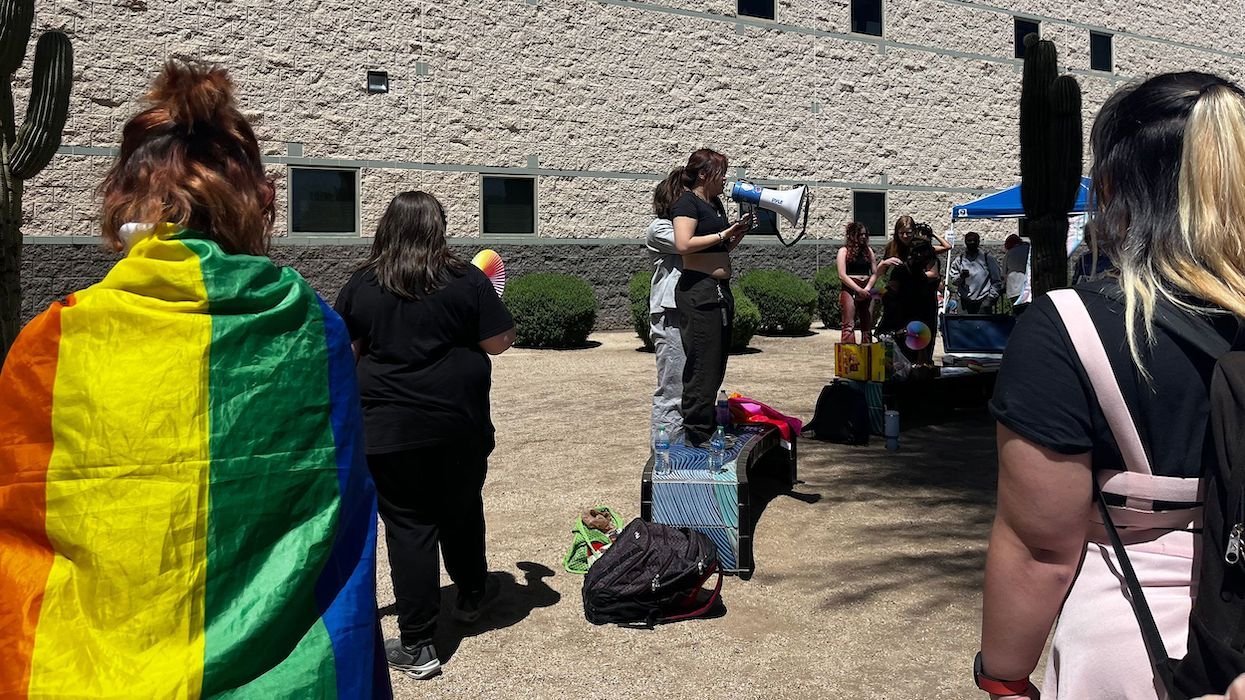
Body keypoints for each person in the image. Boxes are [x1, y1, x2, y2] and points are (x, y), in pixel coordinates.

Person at [0, 61, 389, 697]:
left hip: (96, 674)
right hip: (287, 679)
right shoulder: (308, 328)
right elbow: (334, 513)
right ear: (251, 201)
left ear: (121, 197)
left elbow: (21, 528)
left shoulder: (53, 342)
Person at [979, 72, 1245, 699]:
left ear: (1117, 188)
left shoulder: (1068, 329)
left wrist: (1003, 677)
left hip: (1144, 642)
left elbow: (1038, 549)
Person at [334, 191, 516, 681]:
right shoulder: (467, 280)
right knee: (461, 509)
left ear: (386, 228)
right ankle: (472, 594)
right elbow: (497, 344)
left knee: (410, 527)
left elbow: (345, 356)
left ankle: (417, 643)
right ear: (438, 228)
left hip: (390, 430)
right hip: (459, 425)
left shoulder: (364, 284)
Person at [670, 148, 753, 448]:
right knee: (702, 363)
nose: (725, 179)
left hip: (718, 291)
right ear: (704, 174)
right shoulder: (686, 203)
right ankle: (696, 432)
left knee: (716, 363)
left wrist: (736, 235)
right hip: (698, 291)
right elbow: (683, 243)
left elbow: (719, 250)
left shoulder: (715, 203)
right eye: (722, 172)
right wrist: (722, 234)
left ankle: (705, 427)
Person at [646, 169, 686, 443]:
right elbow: (687, 245)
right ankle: (666, 460)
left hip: (691, 312)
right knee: (672, 390)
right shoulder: (659, 229)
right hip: (669, 315)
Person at [878, 218, 947, 365]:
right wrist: (884, 264)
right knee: (900, 336)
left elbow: (933, 273)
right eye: (901, 233)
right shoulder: (892, 247)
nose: (905, 236)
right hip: (900, 299)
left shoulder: (922, 246)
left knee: (922, 337)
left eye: (908, 233)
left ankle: (922, 365)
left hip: (922, 297)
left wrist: (910, 275)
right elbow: (881, 272)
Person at [836, 221, 878, 343]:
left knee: (867, 326)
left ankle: (867, 355)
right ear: (852, 235)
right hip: (850, 289)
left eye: (865, 235)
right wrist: (858, 289)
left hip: (867, 289)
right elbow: (842, 275)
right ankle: (850, 358)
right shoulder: (844, 251)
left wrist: (868, 288)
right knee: (848, 325)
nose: (863, 237)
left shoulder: (868, 251)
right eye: (860, 235)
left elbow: (875, 272)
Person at [949, 231, 1003, 314]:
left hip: (983, 301)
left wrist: (990, 299)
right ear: (965, 242)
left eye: (974, 241)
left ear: (978, 242)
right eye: (969, 241)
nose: (972, 243)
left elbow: (996, 279)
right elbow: (954, 281)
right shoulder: (959, 260)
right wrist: (961, 277)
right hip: (965, 303)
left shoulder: (987, 258)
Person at [1003, 233, 1030, 315]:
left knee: (1017, 311)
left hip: (1013, 288)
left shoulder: (1010, 253)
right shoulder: (1028, 249)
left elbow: (1004, 271)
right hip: (1028, 285)